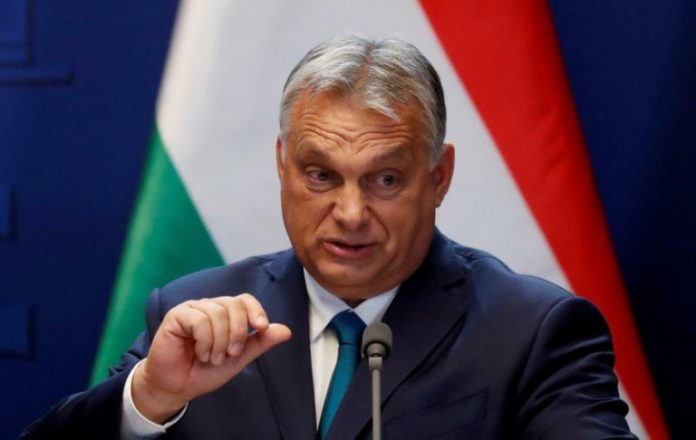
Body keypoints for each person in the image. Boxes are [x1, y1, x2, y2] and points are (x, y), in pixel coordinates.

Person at [23, 34, 636, 439]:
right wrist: (149, 398)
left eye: (385, 180)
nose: (350, 212)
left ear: (439, 177)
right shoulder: (191, 314)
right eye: (321, 175)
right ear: (282, 165)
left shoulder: (532, 332)